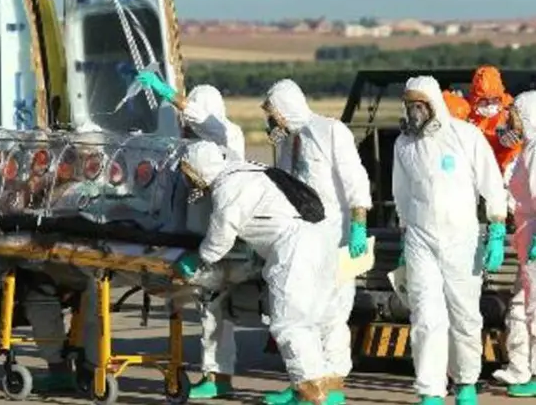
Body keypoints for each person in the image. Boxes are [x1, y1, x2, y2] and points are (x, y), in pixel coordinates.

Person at [173, 140, 340, 405]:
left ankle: (310, 395)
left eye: (189, 173)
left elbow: (220, 237)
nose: (189, 180)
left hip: (294, 249)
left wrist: (198, 259)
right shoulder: (249, 169)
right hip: (322, 241)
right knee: (311, 321)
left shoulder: (228, 188)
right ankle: (318, 389)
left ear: (199, 170)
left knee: (290, 324)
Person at [393, 76, 509, 405]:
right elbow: (401, 193)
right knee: (426, 318)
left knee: (465, 315)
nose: (414, 112)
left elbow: (491, 183)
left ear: (433, 104)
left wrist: (497, 229)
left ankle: (466, 382)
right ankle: (430, 389)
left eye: (419, 105)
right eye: (409, 105)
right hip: (419, 239)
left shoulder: (465, 136)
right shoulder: (405, 144)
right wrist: (404, 237)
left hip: (463, 239)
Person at [259, 78, 372, 405]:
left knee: (333, 310)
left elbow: (355, 179)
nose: (273, 120)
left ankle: (331, 383)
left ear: (287, 107)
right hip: (301, 235)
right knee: (300, 309)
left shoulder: (330, 131)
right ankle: (306, 383)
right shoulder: (285, 141)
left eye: (275, 113)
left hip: (336, 233)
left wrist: (359, 225)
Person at [136, 71, 247, 399]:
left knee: (214, 309)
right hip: (199, 240)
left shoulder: (226, 135)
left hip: (221, 241)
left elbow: (202, 117)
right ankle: (217, 377)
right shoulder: (192, 146)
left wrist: (167, 92)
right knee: (210, 310)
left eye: (190, 114)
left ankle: (217, 378)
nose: (185, 121)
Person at [493, 91, 536, 396]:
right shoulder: (527, 151)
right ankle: (521, 368)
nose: (512, 122)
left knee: (534, 308)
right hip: (526, 240)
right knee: (522, 305)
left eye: (516, 116)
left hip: (533, 242)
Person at [467, 65, 522, 173]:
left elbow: (524, 141)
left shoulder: (511, 109)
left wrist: (512, 144)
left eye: (494, 99)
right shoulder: (464, 110)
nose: (489, 105)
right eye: (484, 100)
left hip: (502, 169)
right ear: (475, 97)